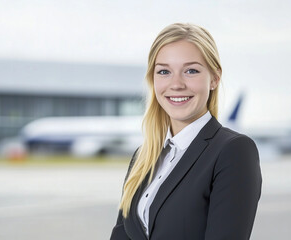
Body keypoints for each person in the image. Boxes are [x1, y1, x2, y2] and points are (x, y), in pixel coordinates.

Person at [110, 23, 262, 240]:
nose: (176, 84)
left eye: (191, 71)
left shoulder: (234, 151)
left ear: (215, 78)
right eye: (164, 71)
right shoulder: (143, 157)